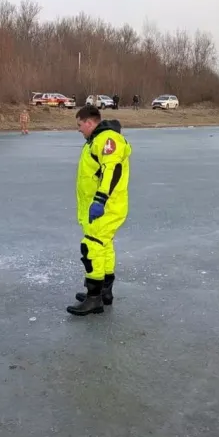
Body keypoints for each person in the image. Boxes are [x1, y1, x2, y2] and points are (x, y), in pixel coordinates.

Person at [67, 104, 132, 316]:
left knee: (91, 247)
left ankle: (94, 298)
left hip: (105, 208)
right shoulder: (94, 141)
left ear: (89, 122)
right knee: (104, 246)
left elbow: (111, 169)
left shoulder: (106, 139)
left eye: (79, 125)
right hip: (102, 207)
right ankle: (104, 292)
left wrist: (100, 200)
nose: (78, 130)